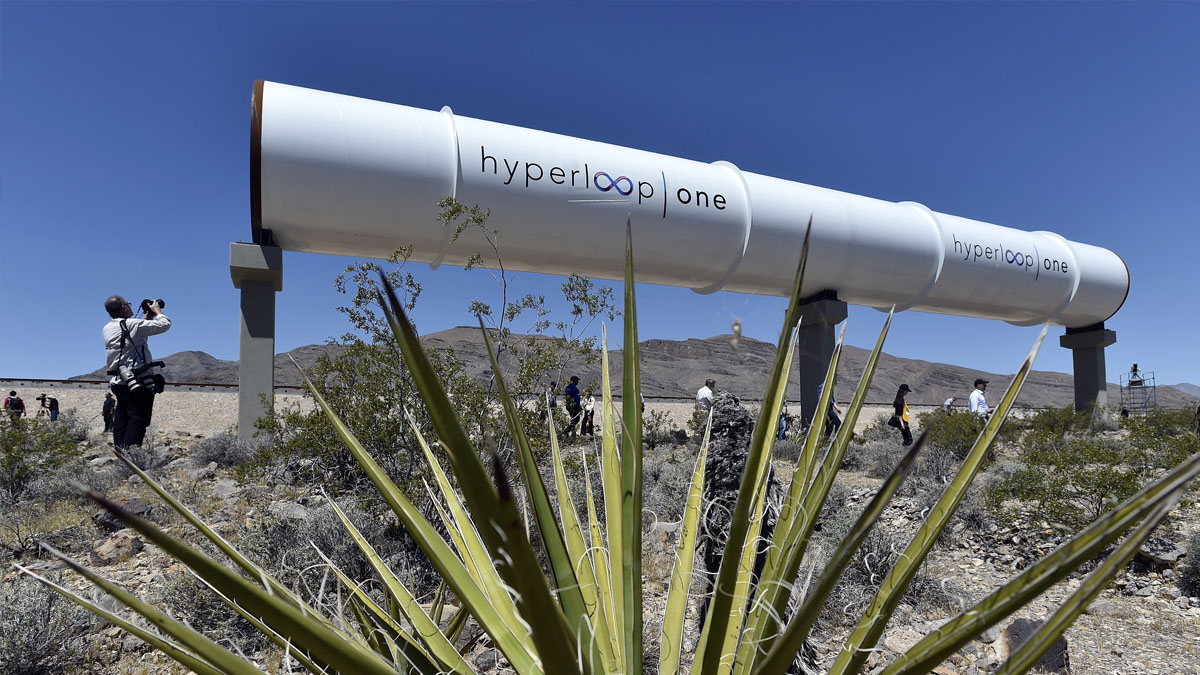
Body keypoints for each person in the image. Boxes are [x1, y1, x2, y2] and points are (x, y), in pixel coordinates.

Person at [103, 295, 171, 449]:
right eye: (128, 304)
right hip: (137, 381)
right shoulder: (131, 324)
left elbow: (137, 339)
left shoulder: (108, 327)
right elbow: (164, 325)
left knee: (122, 415)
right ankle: (133, 454)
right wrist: (157, 311)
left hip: (120, 381)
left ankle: (121, 450)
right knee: (138, 418)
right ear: (124, 307)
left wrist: (148, 317)